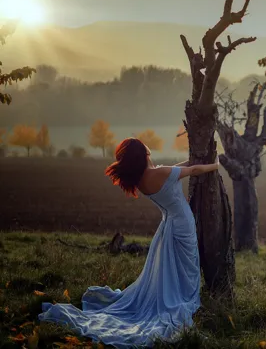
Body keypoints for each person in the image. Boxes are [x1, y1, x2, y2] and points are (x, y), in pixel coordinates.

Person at [38, 137, 219, 348]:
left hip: (168, 224)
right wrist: (216, 165)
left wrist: (190, 160)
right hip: (181, 225)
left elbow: (176, 169)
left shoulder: (144, 178)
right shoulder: (160, 173)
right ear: (142, 153)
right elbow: (194, 170)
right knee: (185, 266)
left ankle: (177, 295)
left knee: (177, 267)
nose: (147, 144)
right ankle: (183, 299)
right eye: (143, 144)